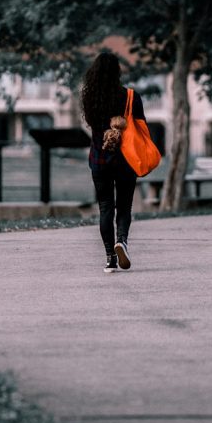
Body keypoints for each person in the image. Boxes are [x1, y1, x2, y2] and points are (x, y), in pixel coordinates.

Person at [80, 53, 146, 273]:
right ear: (117, 71)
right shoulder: (130, 96)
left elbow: (92, 125)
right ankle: (122, 241)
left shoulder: (90, 98)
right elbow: (142, 127)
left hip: (100, 159)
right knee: (124, 206)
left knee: (105, 207)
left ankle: (110, 256)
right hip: (126, 160)